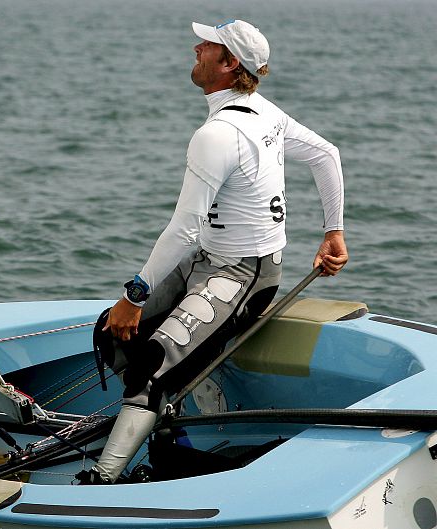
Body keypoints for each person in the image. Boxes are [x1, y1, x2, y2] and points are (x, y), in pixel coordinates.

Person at [78, 19, 348, 485]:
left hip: (244, 277)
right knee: (111, 333)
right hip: (205, 262)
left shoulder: (219, 134)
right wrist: (333, 233)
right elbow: (327, 155)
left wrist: (135, 295)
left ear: (229, 63)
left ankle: (102, 482)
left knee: (149, 368)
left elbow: (184, 229)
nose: (196, 48)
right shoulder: (262, 112)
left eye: (208, 45)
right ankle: (166, 428)